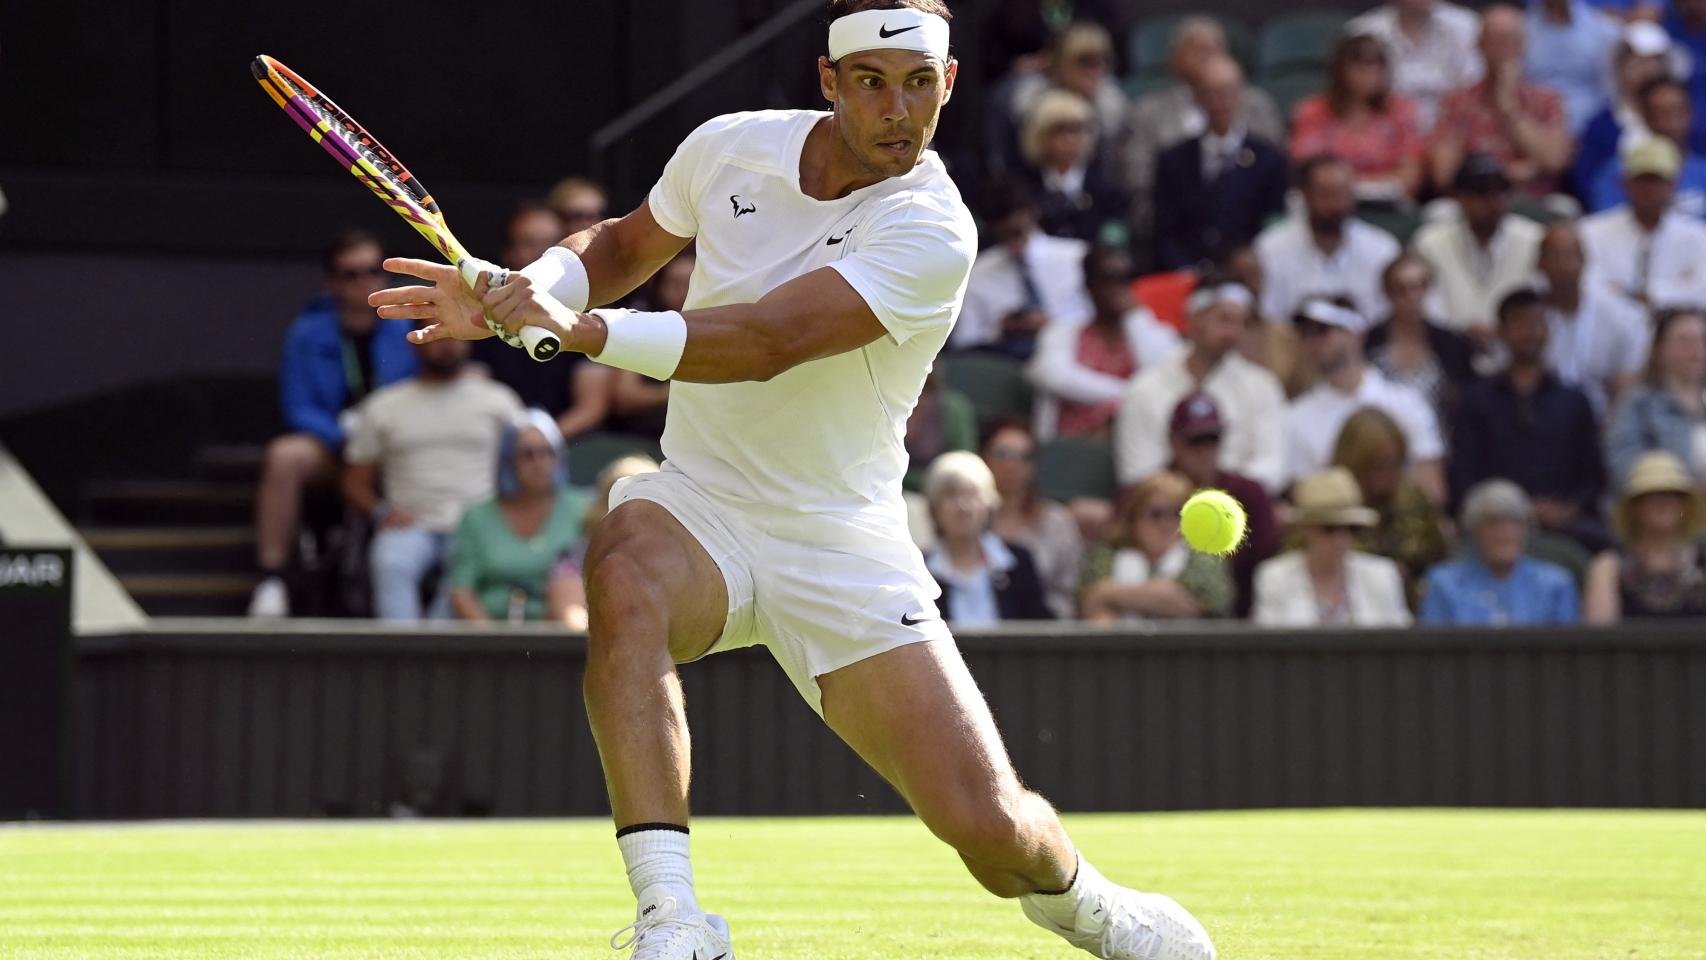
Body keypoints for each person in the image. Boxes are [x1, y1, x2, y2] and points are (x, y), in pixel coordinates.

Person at [369, 3, 1218, 957]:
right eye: (870, 82)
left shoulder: (934, 230)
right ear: (828, 81)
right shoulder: (730, 149)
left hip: (842, 537)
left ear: (945, 87)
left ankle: (1093, 904)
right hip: (704, 503)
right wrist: (537, 287)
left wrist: (579, 330)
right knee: (623, 563)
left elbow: (766, 342)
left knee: (991, 834)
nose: (896, 109)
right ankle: (673, 918)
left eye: (918, 85)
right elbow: (620, 247)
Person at [248, 229, 417, 618]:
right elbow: (297, 406)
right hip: (334, 447)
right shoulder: (307, 333)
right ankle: (272, 578)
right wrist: (342, 436)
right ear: (332, 282)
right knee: (285, 455)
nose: (364, 282)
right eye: (350, 274)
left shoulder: (405, 326)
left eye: (372, 271)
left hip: (391, 449)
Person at [342, 333, 524, 621]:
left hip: (477, 526)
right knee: (389, 562)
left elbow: (523, 463)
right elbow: (354, 482)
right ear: (414, 341)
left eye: (454, 335)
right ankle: (401, 657)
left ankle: (435, 660)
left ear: (469, 340)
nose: (447, 343)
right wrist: (380, 511)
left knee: (460, 583)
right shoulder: (383, 405)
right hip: (408, 524)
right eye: (435, 334)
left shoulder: (499, 400)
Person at [1451, 288, 1609, 549]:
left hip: (1565, 523)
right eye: (1520, 323)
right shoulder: (1475, 401)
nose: (1530, 332)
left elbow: (1593, 475)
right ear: (1501, 332)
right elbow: (1464, 474)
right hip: (1492, 521)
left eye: (1537, 322)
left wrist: (1567, 509)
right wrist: (1509, 509)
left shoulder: (1574, 400)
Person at [1122, 17, 1285, 251]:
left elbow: (1272, 172)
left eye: (1215, 49)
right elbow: (1138, 181)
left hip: (1247, 234)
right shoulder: (1148, 112)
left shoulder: (1258, 106)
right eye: (1197, 49)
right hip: (1175, 223)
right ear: (1175, 60)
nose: (1207, 57)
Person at [1115, 280, 1288, 492]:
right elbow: (1137, 472)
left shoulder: (1262, 385)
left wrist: (1221, 492)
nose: (1234, 332)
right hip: (1167, 510)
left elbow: (1272, 466)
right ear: (1194, 319)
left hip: (1239, 505)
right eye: (1224, 320)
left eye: (1241, 323)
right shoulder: (1144, 387)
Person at [1284, 298, 1448, 504]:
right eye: (1305, 334)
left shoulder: (1407, 402)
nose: (1313, 342)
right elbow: (1302, 495)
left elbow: (1431, 487)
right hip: (1338, 528)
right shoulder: (1296, 416)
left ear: (1355, 333)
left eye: (1323, 330)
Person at [447, 409, 591, 625]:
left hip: (563, 635)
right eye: (527, 454)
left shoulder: (583, 509)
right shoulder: (476, 518)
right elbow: (461, 591)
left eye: (547, 452)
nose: (539, 462)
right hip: (489, 638)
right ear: (508, 461)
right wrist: (494, 643)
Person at [1151, 55, 1289, 271]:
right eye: (1211, 93)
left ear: (1241, 94)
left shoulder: (1268, 159)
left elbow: (1272, 227)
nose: (1220, 102)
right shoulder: (1173, 160)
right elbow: (1165, 230)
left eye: (1228, 92)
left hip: (1247, 275)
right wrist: (1186, 270)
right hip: (1188, 274)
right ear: (1198, 98)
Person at [1028, 244, 1180, 438]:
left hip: (1136, 447)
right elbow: (1052, 376)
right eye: (1109, 279)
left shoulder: (1156, 334)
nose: (1119, 288)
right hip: (1070, 448)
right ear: (1089, 285)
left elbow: (1162, 380)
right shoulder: (1062, 332)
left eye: (1126, 278)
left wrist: (1135, 316)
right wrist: (1131, 394)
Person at [1430, 5, 1572, 197]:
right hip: (1473, 204)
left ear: (1524, 46)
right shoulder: (1457, 102)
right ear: (1480, 45)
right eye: (1499, 41)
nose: (1507, 50)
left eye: (1514, 41)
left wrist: (1509, 108)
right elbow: (1444, 174)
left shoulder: (1548, 100)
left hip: (1534, 202)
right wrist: (1508, 174)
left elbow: (1554, 160)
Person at [1163, 391, 1281, 616]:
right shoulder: (1148, 495)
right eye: (1195, 441)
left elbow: (1266, 561)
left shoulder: (1249, 494)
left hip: (1241, 621)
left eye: (1213, 439)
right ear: (1173, 441)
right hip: (1159, 620)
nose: (1206, 451)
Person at [1252, 467, 1414, 627]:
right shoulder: (1275, 578)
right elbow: (1269, 646)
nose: (1340, 538)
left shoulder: (1382, 576)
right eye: (1329, 528)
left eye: (1351, 527)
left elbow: (1400, 645)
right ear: (1306, 529)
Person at [1253, 155, 1403, 325]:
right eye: (1327, 194)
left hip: (1365, 346)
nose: (1337, 205)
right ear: (1306, 195)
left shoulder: (1382, 248)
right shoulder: (1271, 248)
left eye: (1344, 193)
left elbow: (1388, 320)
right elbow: (1268, 319)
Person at [953, 177, 1090, 357]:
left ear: (1032, 213)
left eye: (1018, 233)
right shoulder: (976, 273)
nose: (1015, 246)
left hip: (1071, 355)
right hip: (1007, 364)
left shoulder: (1077, 257)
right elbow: (966, 344)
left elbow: (1098, 324)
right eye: (1004, 236)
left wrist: (1054, 326)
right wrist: (1001, 329)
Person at [1412, 154, 1545, 339]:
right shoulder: (1431, 243)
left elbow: (1538, 302)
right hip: (1451, 348)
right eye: (1482, 193)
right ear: (1460, 198)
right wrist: (1460, 331)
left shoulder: (1533, 239)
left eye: (1500, 192)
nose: (1493, 202)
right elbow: (1427, 306)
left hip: (1514, 348)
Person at [1330, 407, 1451, 607]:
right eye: (1379, 466)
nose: (1389, 475)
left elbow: (1439, 562)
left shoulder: (1414, 502)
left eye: (1396, 464)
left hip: (1413, 609)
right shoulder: (1329, 508)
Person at [1288, 32, 1428, 202]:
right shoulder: (1312, 111)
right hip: (1327, 202)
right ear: (1340, 68)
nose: (1369, 71)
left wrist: (1358, 187)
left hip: (1387, 204)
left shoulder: (1402, 110)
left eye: (1377, 63)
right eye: (1359, 62)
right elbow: (1306, 172)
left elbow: (1410, 177)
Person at [1078, 471, 1233, 622]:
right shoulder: (1107, 553)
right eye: (1156, 514)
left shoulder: (1204, 554)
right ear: (1134, 519)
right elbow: (1090, 603)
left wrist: (1109, 594)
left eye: (1177, 514)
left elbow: (1206, 601)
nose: (1167, 523)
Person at [1419, 479, 1581, 624]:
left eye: (1514, 523)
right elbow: (1432, 649)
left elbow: (1566, 652)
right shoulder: (1445, 584)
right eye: (1493, 523)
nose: (1504, 534)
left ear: (1525, 530)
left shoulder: (1555, 585)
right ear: (1474, 531)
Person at [1535, 221, 1650, 419]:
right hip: (1539, 422)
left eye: (1570, 257)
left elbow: (1628, 382)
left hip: (1602, 421)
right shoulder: (1527, 316)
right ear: (1539, 264)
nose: (1563, 266)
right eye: (1555, 257)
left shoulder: (1620, 316)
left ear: (1584, 261)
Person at [924, 451, 1053, 625]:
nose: (963, 507)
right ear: (935, 508)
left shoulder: (1018, 563)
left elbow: (1041, 628)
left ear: (989, 504)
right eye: (951, 495)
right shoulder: (919, 571)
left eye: (972, 494)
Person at [1579, 135, 1706, 308]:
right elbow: (1587, 286)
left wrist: (1654, 295)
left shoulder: (1697, 235)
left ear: (1673, 185)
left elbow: (1701, 290)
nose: (1649, 189)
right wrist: (1678, 287)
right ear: (1625, 183)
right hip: (1611, 326)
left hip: (1674, 324)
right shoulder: (1592, 232)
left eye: (1657, 181)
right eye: (1642, 180)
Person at [1574, 21, 1692, 198]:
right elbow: (1587, 181)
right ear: (1619, 68)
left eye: (1655, 61)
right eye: (1638, 62)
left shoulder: (1683, 120)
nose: (1648, 70)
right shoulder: (1601, 125)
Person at [1584, 450, 1706, 620]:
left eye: (1674, 494)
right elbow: (1599, 638)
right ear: (1634, 506)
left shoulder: (1702, 562)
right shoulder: (1609, 567)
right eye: (1651, 495)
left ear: (1685, 505)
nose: (1663, 502)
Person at [983, 420, 1085, 619]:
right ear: (984, 458)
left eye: (1023, 457)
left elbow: (1070, 591)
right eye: (1002, 454)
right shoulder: (969, 520)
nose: (1011, 464)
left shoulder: (1057, 521)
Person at [1363, 253, 1478, 422]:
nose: (1413, 297)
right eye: (1402, 289)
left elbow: (1466, 403)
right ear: (1387, 293)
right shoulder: (1368, 343)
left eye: (1421, 286)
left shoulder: (1453, 344)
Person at [1606, 308, 1706, 486]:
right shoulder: (1639, 404)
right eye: (1684, 341)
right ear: (1660, 349)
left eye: (1702, 339)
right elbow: (1625, 465)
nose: (1696, 349)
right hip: (1670, 505)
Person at [1348, 0, 1483, 129]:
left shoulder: (1469, 27)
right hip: (1386, 137)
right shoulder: (1361, 32)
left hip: (1454, 134)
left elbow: (1474, 92)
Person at [1017, 89, 1127, 243]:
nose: (1070, 139)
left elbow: (1115, 239)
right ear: (1041, 136)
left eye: (1076, 130)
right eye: (1060, 131)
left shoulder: (1106, 191)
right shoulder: (1024, 189)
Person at [605, 250, 692, 442]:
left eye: (690, 284)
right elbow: (624, 395)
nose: (683, 291)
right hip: (644, 437)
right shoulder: (642, 324)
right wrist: (677, 391)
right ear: (659, 286)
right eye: (674, 283)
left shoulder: (720, 330)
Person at [1590, 76, 1706, 219]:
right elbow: (1608, 227)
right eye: (1661, 114)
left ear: (1691, 114)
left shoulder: (1703, 172)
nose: (1671, 123)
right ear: (1644, 117)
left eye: (1677, 112)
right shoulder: (1617, 173)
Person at [1526, 0, 1624, 134]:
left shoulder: (1606, 31)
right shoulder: (1520, 31)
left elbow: (1616, 94)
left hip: (1594, 132)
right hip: (1535, 131)